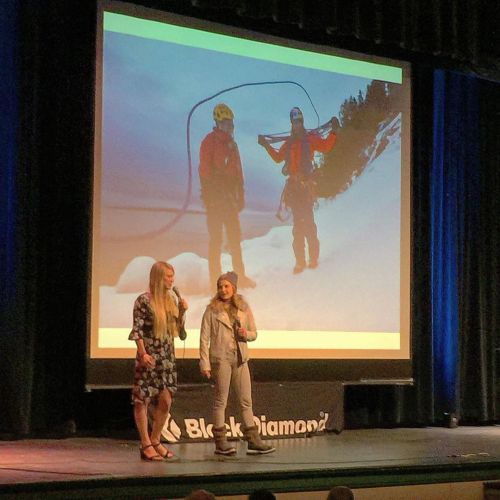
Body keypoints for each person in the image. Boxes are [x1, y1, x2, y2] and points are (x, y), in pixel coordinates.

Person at [199, 271, 275, 455]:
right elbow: (204, 338)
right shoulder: (212, 310)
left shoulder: (243, 307)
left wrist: (245, 335)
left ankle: (253, 440)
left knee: (246, 400)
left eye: (226, 286)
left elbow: (254, 333)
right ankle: (220, 442)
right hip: (221, 358)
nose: (223, 290)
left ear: (233, 287)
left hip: (240, 359)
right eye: (220, 286)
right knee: (221, 400)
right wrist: (205, 363)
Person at [258, 107, 339, 274]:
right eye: (295, 122)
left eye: (299, 121)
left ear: (302, 122)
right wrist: (266, 146)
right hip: (294, 189)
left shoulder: (310, 139)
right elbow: (277, 158)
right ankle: (300, 262)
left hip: (305, 187)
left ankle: (313, 259)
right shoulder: (289, 143)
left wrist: (334, 132)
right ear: (292, 123)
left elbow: (325, 147)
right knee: (298, 227)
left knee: (308, 223)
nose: (297, 124)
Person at [129, 261, 188, 461]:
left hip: (167, 357)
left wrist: (182, 312)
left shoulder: (171, 299)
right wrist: (142, 353)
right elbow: (137, 330)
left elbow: (180, 333)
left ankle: (156, 440)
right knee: (142, 399)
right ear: (158, 278)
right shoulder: (143, 300)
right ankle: (145, 443)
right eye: (168, 276)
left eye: (173, 276)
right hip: (149, 356)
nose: (172, 280)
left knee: (166, 399)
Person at [199, 103, 256, 290]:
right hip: (215, 201)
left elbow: (239, 172)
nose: (229, 127)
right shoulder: (209, 142)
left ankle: (240, 277)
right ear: (217, 122)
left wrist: (240, 195)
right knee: (216, 240)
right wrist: (211, 193)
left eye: (230, 124)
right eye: (225, 123)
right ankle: (214, 282)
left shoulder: (233, 146)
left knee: (234, 239)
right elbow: (204, 170)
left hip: (229, 200)